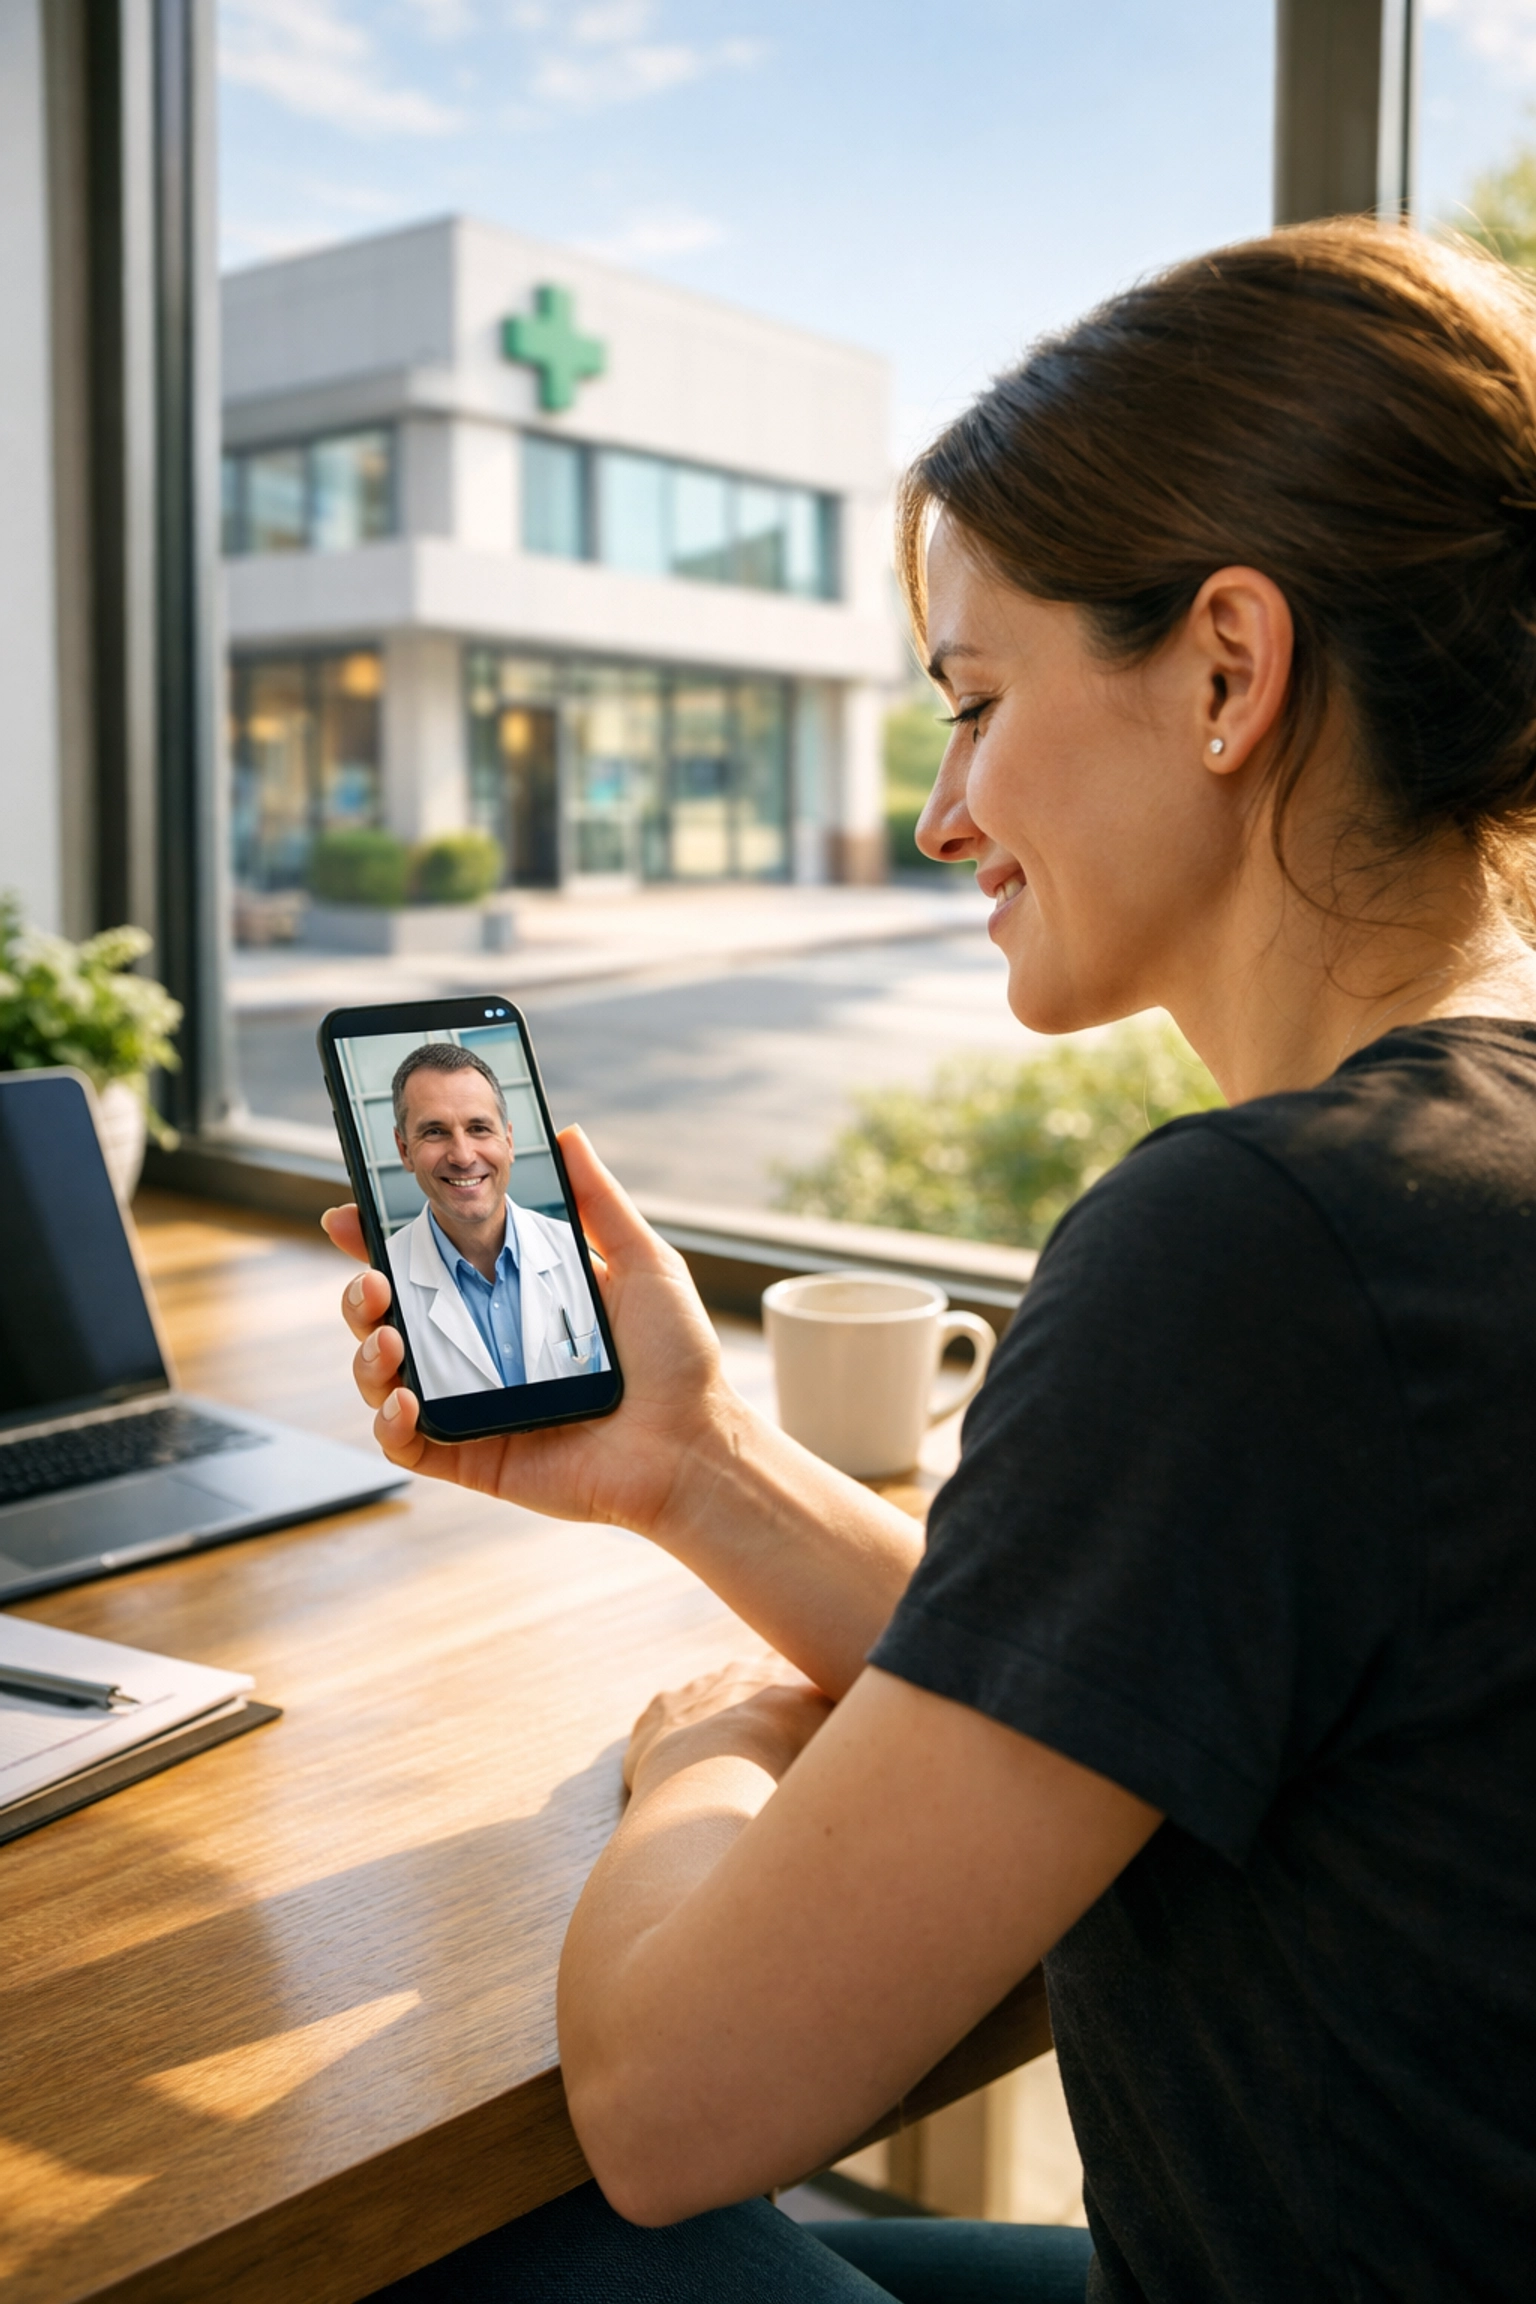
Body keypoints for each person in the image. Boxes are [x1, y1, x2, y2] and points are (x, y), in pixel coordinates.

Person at [325, 221, 1536, 2302]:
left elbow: (666, 2098)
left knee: (460, 2251)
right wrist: (698, 1465)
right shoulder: (1460, 1174)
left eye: (974, 705)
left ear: (1232, 672)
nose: (938, 813)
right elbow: (1143, 1672)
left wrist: (699, 1759)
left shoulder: (1258, 1253)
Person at [384, 1043, 605, 1398]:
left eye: (479, 1128)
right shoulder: (386, 1281)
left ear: (509, 1140)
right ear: (404, 1150)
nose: (463, 1155)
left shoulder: (580, 1253)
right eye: (435, 1132)